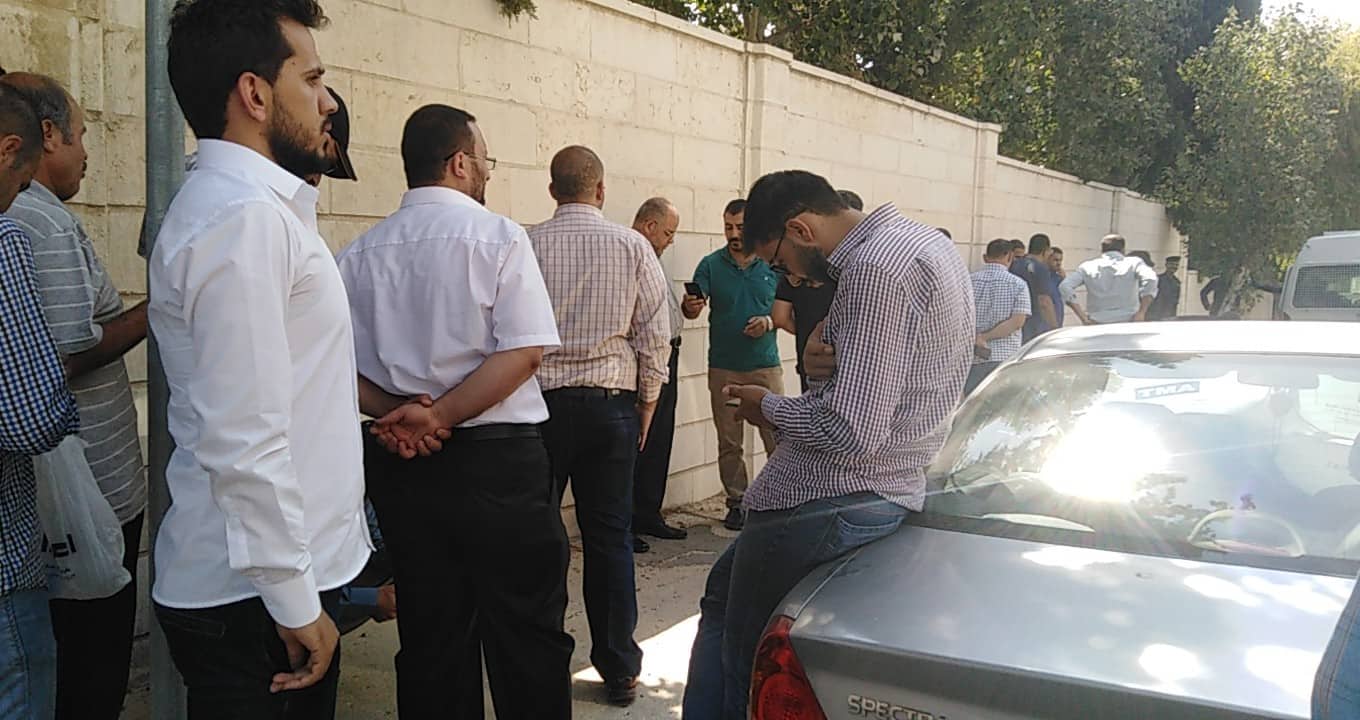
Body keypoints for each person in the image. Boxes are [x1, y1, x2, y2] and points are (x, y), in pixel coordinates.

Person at [684, 170, 973, 719]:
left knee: (744, 651)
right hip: (882, 483)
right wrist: (826, 359)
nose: (787, 276)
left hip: (829, 493)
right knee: (724, 598)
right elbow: (903, 370)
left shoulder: (873, 270)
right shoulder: (920, 242)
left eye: (778, 261)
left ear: (800, 229)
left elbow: (849, 430)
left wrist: (765, 406)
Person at [150, 2, 371, 717]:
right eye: (312, 79)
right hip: (251, 603)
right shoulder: (242, 219)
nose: (328, 101)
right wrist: (294, 599)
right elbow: (243, 436)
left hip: (266, 591)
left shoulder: (256, 211)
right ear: (254, 93)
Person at [339, 105, 574, 718]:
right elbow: (524, 352)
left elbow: (336, 366)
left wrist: (402, 414)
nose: (488, 172)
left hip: (404, 464)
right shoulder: (499, 237)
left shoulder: (357, 254)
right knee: (527, 636)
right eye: (486, 159)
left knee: (431, 636)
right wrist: (437, 415)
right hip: (499, 466)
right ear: (460, 162)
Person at [1, 72, 147, 720]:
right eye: (82, 135)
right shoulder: (32, 221)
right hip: (86, 495)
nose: (87, 152)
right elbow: (57, 366)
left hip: (73, 496)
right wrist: (152, 313)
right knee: (89, 669)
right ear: (45, 136)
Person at [528, 146, 669, 707]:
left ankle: (540, 662)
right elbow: (653, 334)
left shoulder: (526, 243)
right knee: (609, 539)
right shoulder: (633, 245)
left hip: (538, 409)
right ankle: (618, 666)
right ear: (602, 190)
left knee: (539, 538)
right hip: (611, 408)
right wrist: (647, 404)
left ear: (552, 190)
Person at [0, 81, 81, 720]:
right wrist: (65, 408)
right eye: (21, 179)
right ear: (9, 151)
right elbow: (30, 419)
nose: (20, 193)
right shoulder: (6, 242)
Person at [683, 199, 783, 531]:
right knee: (729, 440)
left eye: (740, 227)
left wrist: (768, 323)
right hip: (724, 366)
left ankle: (779, 498)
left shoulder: (773, 264)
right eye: (728, 227)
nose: (734, 234)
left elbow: (788, 312)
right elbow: (693, 309)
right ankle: (737, 501)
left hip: (764, 365)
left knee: (776, 436)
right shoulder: (711, 265)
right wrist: (691, 306)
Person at [631, 196, 687, 553]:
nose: (670, 240)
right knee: (638, 440)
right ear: (650, 226)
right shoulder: (632, 255)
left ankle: (648, 512)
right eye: (668, 232)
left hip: (669, 353)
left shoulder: (655, 257)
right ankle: (627, 519)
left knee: (660, 437)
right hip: (645, 359)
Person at [772, 188, 860, 393]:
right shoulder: (854, 269)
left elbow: (780, 317)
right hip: (848, 365)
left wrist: (809, 332)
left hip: (815, 359)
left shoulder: (802, 265)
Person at [970, 239, 1031, 393]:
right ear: (1010, 257)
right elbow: (1017, 322)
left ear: (985, 257)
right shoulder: (1018, 284)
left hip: (972, 357)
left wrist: (977, 337)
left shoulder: (969, 281)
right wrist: (985, 337)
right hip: (1006, 357)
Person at [1059, 234, 1157, 325]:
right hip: (1128, 321)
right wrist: (1142, 312)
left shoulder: (1087, 267)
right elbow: (1151, 279)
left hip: (1097, 322)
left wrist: (1083, 317)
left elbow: (1065, 286)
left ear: (1102, 249)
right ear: (1123, 249)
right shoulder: (1134, 263)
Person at [1009, 233, 1058, 342]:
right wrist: (1054, 327)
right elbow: (1044, 301)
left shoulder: (1015, 265)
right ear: (1045, 250)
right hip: (1034, 322)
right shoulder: (1040, 268)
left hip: (1014, 320)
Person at [1149, 255, 1182, 321]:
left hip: (1170, 315)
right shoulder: (1158, 279)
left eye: (1176, 265)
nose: (1174, 267)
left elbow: (1175, 302)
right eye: (1172, 264)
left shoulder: (1177, 282)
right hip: (1156, 314)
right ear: (1166, 265)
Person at [1048, 246, 1066, 328]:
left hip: (1058, 319)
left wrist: (1064, 280)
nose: (1059, 263)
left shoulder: (1058, 278)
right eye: (1055, 260)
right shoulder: (1043, 276)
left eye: (1060, 260)